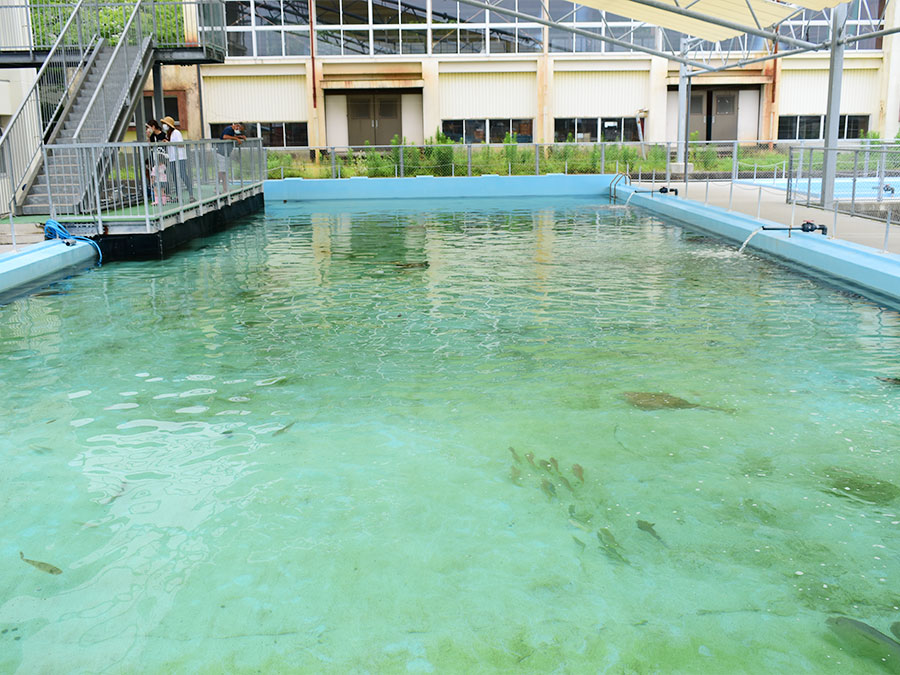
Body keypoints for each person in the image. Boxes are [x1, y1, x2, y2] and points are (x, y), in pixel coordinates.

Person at [161, 115, 194, 202]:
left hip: (180, 158)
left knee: (183, 175)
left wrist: (169, 143)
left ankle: (191, 194)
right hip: (172, 158)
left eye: (165, 124)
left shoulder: (176, 133)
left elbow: (180, 144)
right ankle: (178, 196)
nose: (164, 126)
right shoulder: (169, 134)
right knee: (175, 177)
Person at [217, 122, 246, 193]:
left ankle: (217, 187)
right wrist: (236, 139)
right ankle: (225, 189)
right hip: (222, 153)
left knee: (222, 171)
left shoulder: (231, 131)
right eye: (240, 129)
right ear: (237, 126)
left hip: (225, 154)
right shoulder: (229, 129)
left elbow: (231, 136)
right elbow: (225, 136)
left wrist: (240, 137)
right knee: (223, 172)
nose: (239, 131)